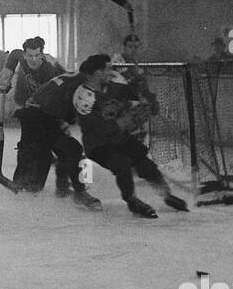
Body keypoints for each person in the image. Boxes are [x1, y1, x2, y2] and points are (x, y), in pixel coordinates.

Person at [75, 56, 187, 218]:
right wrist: (125, 122)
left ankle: (166, 195)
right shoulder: (83, 96)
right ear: (98, 73)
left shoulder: (113, 86)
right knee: (121, 163)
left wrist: (144, 93)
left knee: (145, 164)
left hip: (120, 138)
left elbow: (137, 95)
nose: (111, 72)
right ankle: (132, 200)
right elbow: (96, 129)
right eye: (108, 68)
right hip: (98, 145)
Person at [13, 57, 105, 210]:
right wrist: (60, 122)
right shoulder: (80, 85)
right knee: (71, 149)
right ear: (94, 73)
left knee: (66, 150)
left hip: (36, 114)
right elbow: (52, 103)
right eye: (105, 70)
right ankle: (79, 193)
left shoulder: (76, 78)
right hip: (37, 116)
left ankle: (62, 188)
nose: (108, 74)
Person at [0, 37, 70, 196]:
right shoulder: (21, 56)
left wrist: (61, 121)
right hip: (31, 110)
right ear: (26, 54)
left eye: (37, 55)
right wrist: (6, 74)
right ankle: (20, 180)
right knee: (27, 146)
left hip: (50, 110)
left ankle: (62, 186)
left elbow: (58, 97)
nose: (33, 60)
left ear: (42, 55)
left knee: (52, 148)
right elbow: (14, 54)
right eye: (30, 56)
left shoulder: (49, 71)